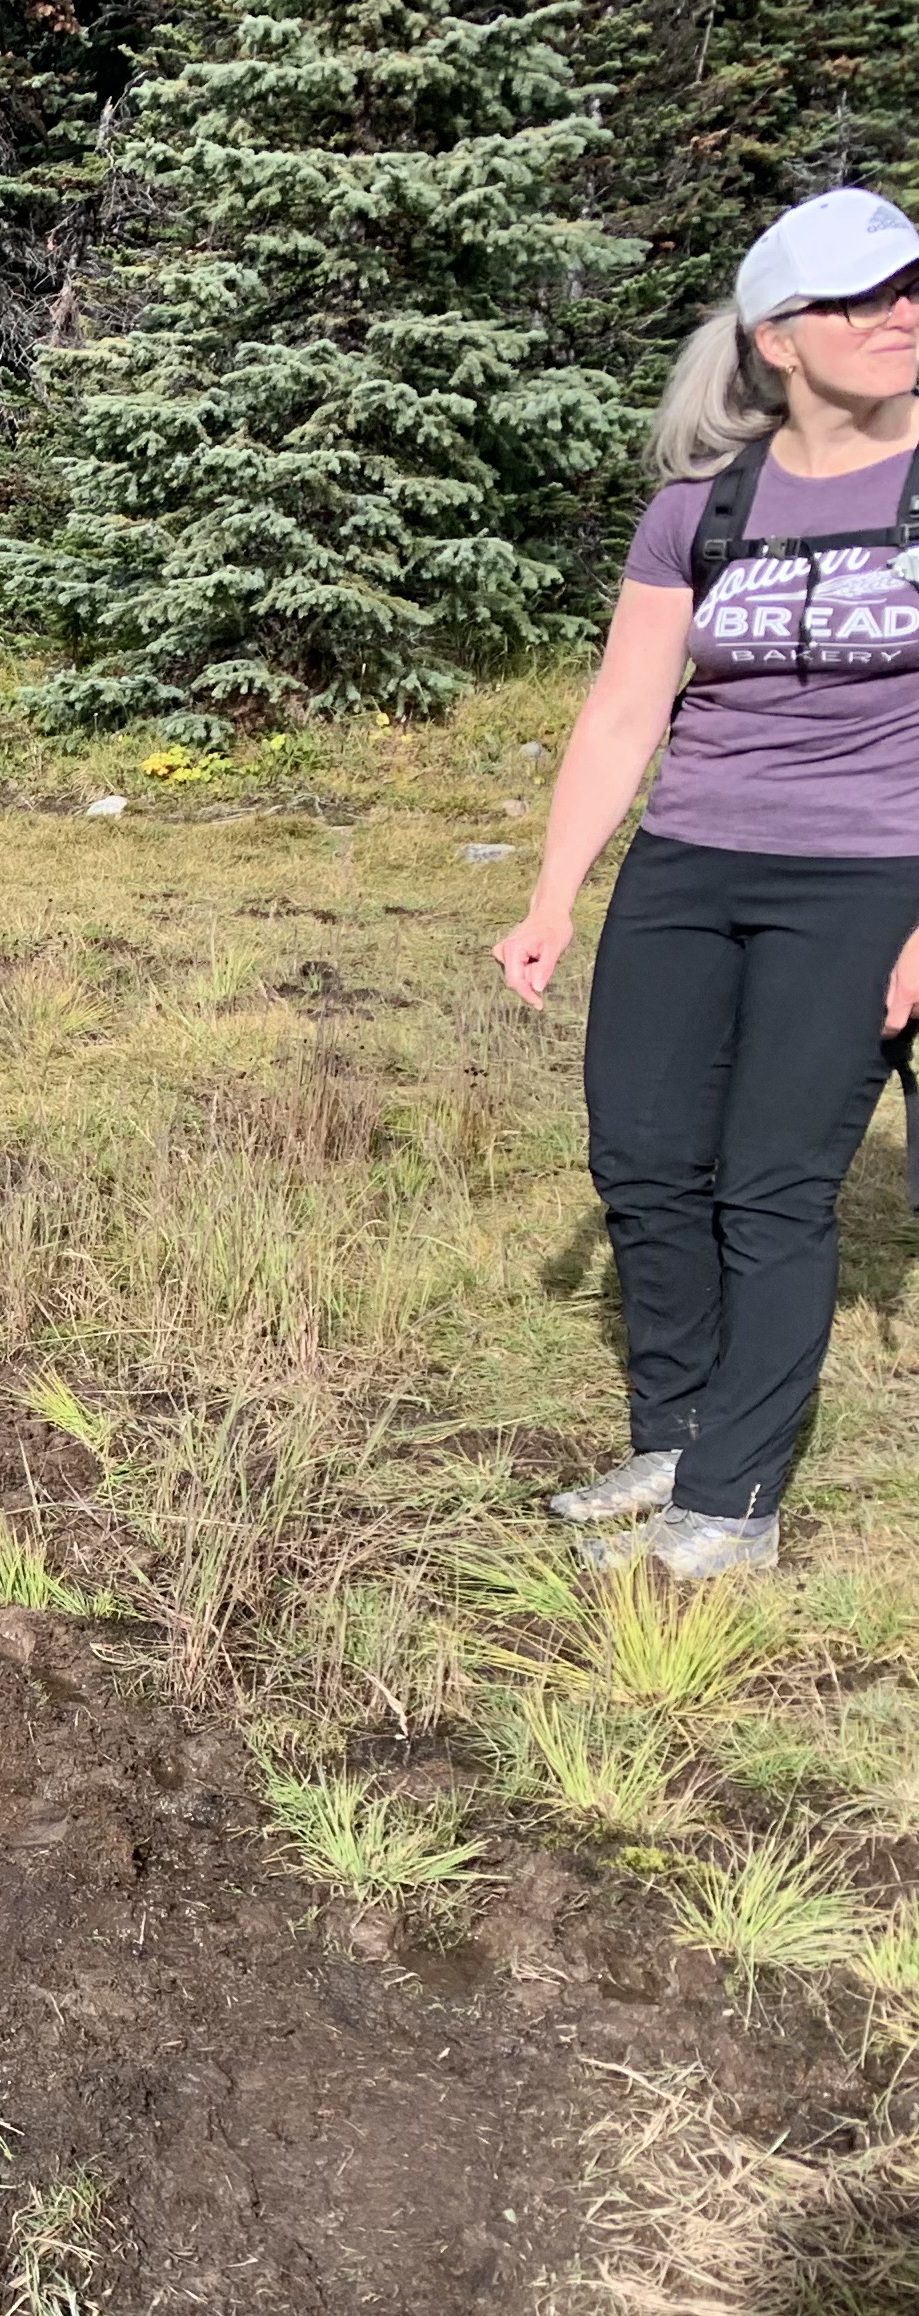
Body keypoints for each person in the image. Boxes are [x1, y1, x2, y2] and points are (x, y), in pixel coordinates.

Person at [497, 188, 919, 1584]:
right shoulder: (702, 508)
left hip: (868, 873)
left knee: (773, 1183)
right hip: (690, 864)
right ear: (778, 338)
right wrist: (555, 892)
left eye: (909, 287)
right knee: (645, 1159)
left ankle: (734, 1507)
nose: (900, 313)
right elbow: (625, 711)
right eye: (861, 299)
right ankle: (674, 1437)